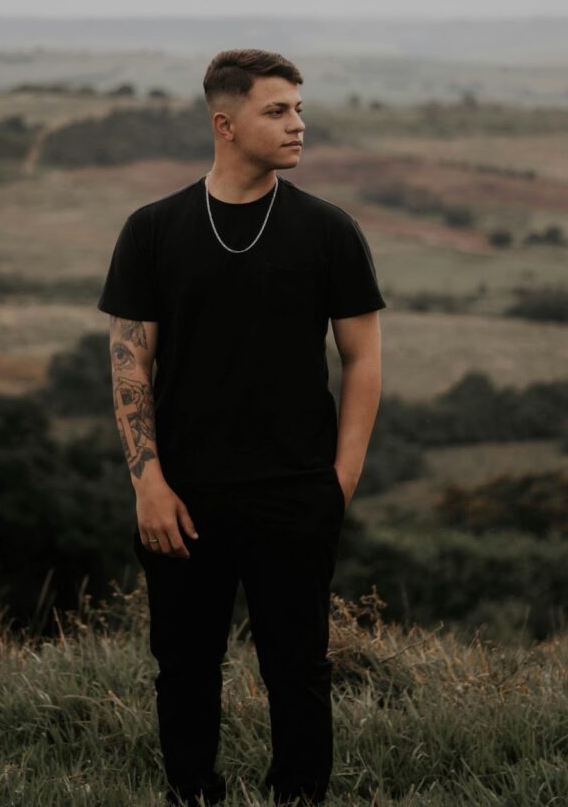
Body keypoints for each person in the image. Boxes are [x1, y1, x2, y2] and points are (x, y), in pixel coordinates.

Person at [97, 48, 387, 806]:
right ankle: (193, 796)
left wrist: (340, 481)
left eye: (298, 108)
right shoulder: (153, 229)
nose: (299, 124)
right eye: (278, 110)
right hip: (182, 494)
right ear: (225, 124)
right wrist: (148, 484)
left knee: (299, 669)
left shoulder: (329, 230)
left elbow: (362, 360)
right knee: (185, 667)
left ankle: (299, 799)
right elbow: (130, 363)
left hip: (296, 490)